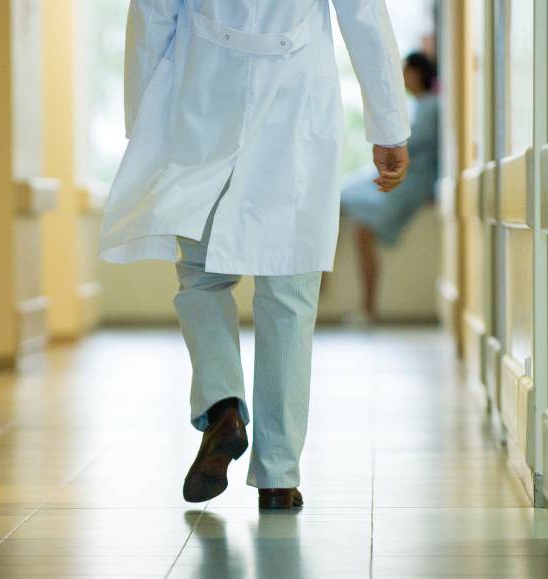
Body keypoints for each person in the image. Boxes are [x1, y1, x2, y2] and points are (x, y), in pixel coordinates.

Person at [98, 0, 410, 509]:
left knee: (201, 276)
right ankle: (278, 477)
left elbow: (151, 16)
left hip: (201, 99)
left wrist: (143, 125)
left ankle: (223, 405)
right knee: (289, 288)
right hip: (296, 100)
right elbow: (364, 17)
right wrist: (388, 126)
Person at [339, 52, 439, 321]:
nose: (402, 78)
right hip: (404, 180)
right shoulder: (421, 106)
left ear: (417, 73)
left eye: (405, 71)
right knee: (342, 199)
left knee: (361, 229)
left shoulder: (432, 107)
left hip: (411, 185)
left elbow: (409, 148)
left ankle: (368, 308)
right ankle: (362, 304)